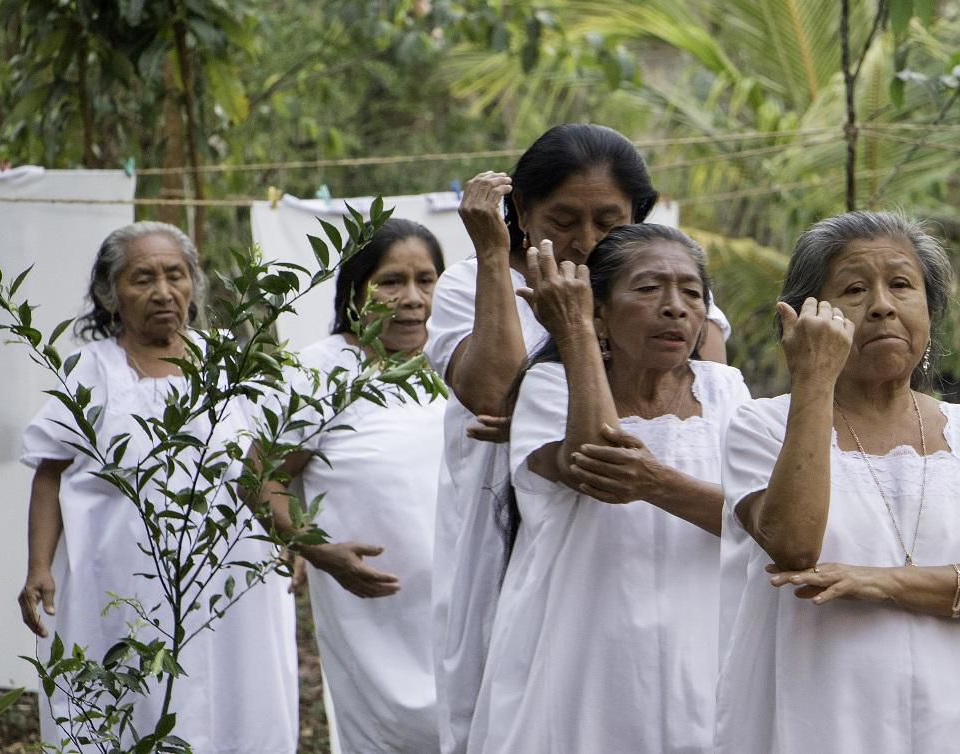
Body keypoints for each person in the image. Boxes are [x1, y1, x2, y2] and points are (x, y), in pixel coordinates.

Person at [425, 122, 733, 752]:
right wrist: (492, 255)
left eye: (608, 219)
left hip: (660, 547)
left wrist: (551, 415)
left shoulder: (667, 291)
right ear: (521, 212)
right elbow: (492, 389)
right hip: (512, 526)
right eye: (563, 219)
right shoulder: (473, 282)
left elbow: (703, 401)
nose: (585, 241)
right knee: (513, 688)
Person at [715, 211, 960, 753]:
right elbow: (796, 545)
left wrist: (885, 582)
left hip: (959, 724)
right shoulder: (762, 426)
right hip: (821, 724)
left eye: (901, 284)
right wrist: (814, 379)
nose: (881, 305)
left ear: (930, 309)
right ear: (805, 316)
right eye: (854, 289)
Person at [465, 225, 748, 753]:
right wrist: (572, 332)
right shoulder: (552, 386)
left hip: (701, 652)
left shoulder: (725, 391)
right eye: (648, 289)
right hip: (582, 658)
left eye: (692, 293)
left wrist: (659, 482)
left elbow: (758, 521)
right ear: (599, 312)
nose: (675, 308)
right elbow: (594, 464)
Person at [17, 221, 298, 753]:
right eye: (142, 278)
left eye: (176, 275)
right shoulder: (90, 371)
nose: (163, 292)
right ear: (110, 294)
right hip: (118, 584)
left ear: (194, 285)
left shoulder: (228, 364)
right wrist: (37, 568)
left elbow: (262, 466)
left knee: (237, 694)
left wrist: (298, 537)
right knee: (126, 700)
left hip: (228, 584)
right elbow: (48, 473)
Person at [255, 218, 446, 752]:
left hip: (466, 602)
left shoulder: (461, 364)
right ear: (356, 289)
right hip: (373, 612)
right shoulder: (321, 372)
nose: (411, 299)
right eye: (391, 281)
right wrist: (316, 550)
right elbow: (262, 473)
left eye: (425, 280)